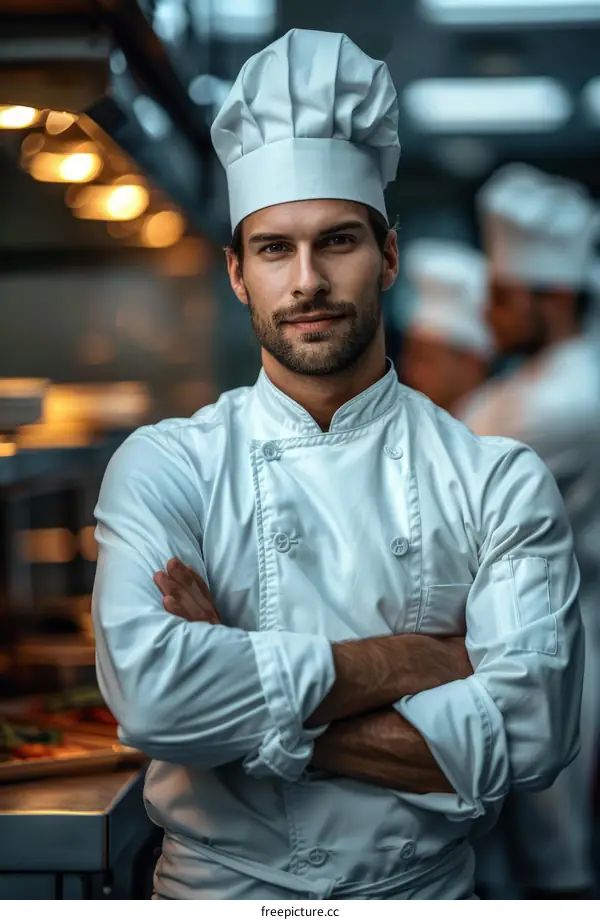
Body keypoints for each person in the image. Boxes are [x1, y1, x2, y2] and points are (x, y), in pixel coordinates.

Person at [92, 32, 584, 900]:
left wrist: (240, 681)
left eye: (338, 241)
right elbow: (154, 699)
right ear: (238, 275)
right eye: (275, 248)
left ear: (387, 254)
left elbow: (532, 736)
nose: (307, 279)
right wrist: (414, 662)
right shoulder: (165, 464)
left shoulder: (495, 478)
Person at [461, 163, 600, 899]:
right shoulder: (530, 382)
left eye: (503, 296)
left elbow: (447, 504)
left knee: (558, 870)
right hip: (528, 644)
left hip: (564, 644)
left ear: (551, 295)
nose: (487, 313)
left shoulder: (566, 400)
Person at [399, 239, 492, 414]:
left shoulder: (499, 430)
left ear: (471, 364)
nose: (409, 371)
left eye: (425, 358)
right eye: (409, 355)